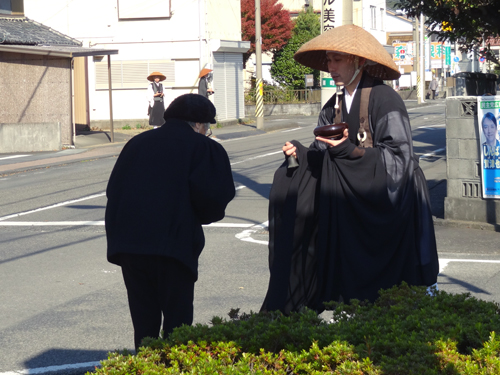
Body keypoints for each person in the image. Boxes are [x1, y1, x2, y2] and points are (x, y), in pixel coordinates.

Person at [260, 24, 439, 315]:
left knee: (394, 296)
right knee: (350, 287)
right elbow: (323, 152)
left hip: (388, 203)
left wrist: (348, 152)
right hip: (352, 207)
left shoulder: (385, 99)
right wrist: (301, 153)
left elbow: (399, 158)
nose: (331, 67)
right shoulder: (334, 105)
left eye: (337, 59)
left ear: (360, 61)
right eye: (328, 60)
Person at [105, 93, 235, 351]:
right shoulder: (204, 148)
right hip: (173, 246)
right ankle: (173, 366)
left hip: (129, 244)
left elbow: (114, 190)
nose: (207, 130)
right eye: (207, 126)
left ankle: (146, 365)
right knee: (178, 322)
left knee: (143, 321)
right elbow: (213, 198)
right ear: (199, 124)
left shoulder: (137, 143)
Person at [480, 112, 500, 197]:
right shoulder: (481, 148)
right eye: (485, 127)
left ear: (496, 128)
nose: (489, 131)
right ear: (483, 129)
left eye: (492, 126)